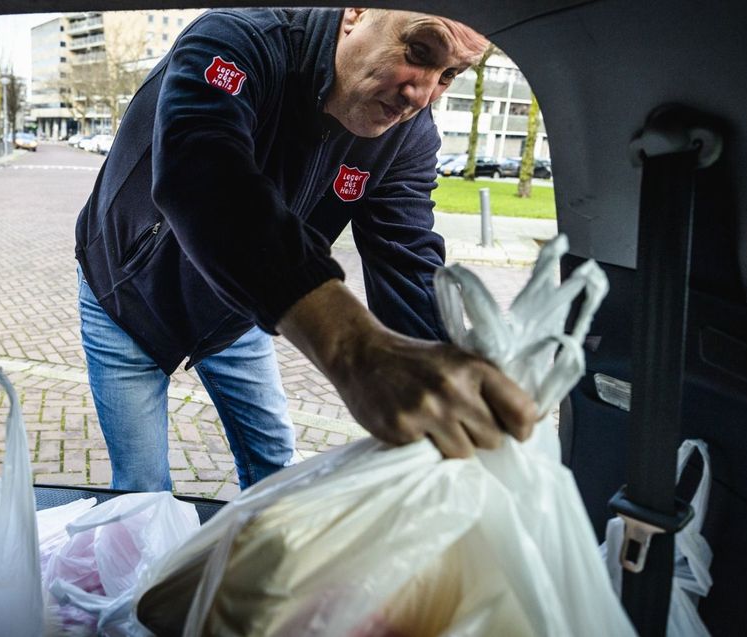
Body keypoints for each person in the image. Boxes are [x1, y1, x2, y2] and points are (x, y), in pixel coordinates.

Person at [75, 7, 537, 492]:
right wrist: (353, 348)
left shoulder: (409, 138)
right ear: (356, 13)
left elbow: (408, 259)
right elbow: (202, 172)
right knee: (141, 490)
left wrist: (448, 376)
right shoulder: (237, 40)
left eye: (449, 76)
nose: (420, 95)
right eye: (419, 52)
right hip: (124, 298)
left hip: (238, 312)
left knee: (276, 463)